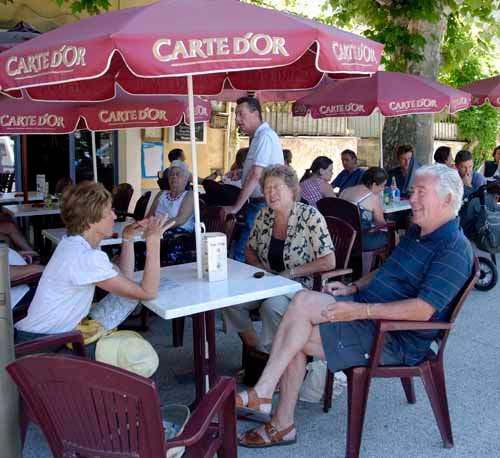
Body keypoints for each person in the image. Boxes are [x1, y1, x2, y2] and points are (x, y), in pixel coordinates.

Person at [236, 164, 473, 449]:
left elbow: (422, 310)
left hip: (394, 338)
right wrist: (353, 287)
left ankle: (280, 420)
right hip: (369, 311)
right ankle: (264, 392)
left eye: (421, 192)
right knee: (301, 301)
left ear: (447, 199)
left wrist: (360, 310)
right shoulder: (417, 232)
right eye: (413, 192)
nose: (411, 199)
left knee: (295, 337)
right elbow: (387, 270)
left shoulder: (454, 249)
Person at [15, 181, 173, 345]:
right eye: (109, 211)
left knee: (129, 297)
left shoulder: (74, 244)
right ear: (91, 221)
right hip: (44, 346)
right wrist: (153, 242)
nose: (115, 215)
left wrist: (127, 238)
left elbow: (124, 279)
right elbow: (148, 293)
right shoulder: (85, 257)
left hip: (38, 335)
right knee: (138, 354)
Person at [222, 165, 335, 350]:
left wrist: (290, 273)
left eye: (277, 188)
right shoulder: (263, 215)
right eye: (266, 188)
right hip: (269, 281)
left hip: (301, 284)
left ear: (291, 189)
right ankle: (257, 349)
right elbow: (249, 249)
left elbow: (329, 261)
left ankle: (284, 356)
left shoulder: (310, 216)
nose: (271, 193)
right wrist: (261, 267)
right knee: (231, 301)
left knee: (271, 306)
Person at [224, 97, 284, 262]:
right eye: (236, 115)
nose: (237, 119)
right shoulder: (258, 136)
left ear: (255, 114)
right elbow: (261, 168)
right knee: (249, 251)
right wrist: (242, 172)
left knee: (242, 252)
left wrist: (236, 207)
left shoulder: (265, 136)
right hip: (260, 202)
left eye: (240, 114)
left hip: (264, 203)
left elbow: (257, 174)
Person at [340, 167, 389, 250]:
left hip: (342, 238)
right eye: (382, 185)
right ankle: (385, 262)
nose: (382, 189)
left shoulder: (345, 191)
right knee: (392, 234)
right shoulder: (372, 197)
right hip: (361, 240)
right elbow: (381, 223)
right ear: (374, 185)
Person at [147, 160, 195, 233]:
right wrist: (140, 226)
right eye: (171, 174)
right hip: (155, 230)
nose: (174, 176)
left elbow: (180, 219)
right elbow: (150, 215)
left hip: (177, 235)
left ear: (185, 179)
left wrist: (156, 227)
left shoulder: (190, 195)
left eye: (178, 174)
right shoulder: (161, 193)